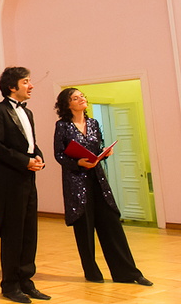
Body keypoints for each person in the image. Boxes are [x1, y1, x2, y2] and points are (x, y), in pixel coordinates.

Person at [53, 88, 152, 286]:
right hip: (77, 182)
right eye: (75, 98)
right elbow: (59, 155)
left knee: (111, 224)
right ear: (67, 105)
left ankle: (128, 273)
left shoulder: (93, 123)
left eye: (82, 96)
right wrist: (78, 163)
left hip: (97, 179)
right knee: (85, 228)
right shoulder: (62, 125)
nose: (81, 99)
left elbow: (97, 147)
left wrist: (104, 153)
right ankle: (92, 272)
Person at [0, 67, 51, 303]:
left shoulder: (28, 112)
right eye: (26, 82)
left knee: (29, 231)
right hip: (10, 180)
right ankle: (10, 285)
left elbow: (30, 143)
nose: (31, 86)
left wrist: (38, 156)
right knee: (13, 233)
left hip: (27, 179)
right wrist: (25, 161)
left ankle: (26, 280)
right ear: (12, 87)